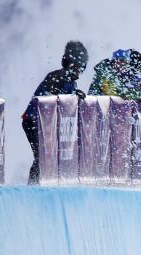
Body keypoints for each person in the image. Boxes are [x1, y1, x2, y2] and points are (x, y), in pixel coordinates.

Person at [22, 41, 88, 184]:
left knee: (45, 155)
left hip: (43, 122)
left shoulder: (68, 80)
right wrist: (72, 97)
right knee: (42, 156)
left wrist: (74, 96)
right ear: (73, 65)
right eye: (80, 68)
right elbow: (51, 100)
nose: (80, 72)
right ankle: (33, 185)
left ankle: (38, 183)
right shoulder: (58, 77)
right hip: (34, 121)